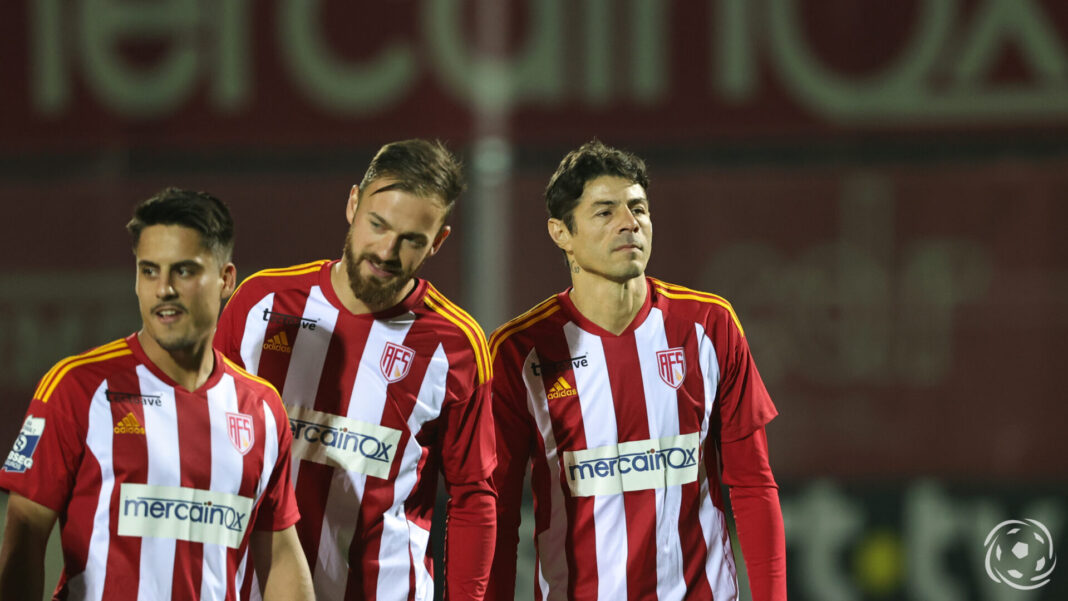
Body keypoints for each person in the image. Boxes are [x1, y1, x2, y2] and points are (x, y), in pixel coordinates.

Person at [487, 140, 787, 601]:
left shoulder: (708, 325)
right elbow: (498, 509)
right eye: (605, 212)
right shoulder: (521, 351)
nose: (630, 223)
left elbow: (752, 483)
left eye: (639, 208)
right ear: (560, 232)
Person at [213, 139, 497, 601]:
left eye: (412, 240)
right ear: (352, 204)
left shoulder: (457, 345)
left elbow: (473, 497)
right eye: (378, 224)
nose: (387, 250)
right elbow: (204, 443)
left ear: (438, 241)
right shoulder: (261, 303)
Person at [0, 188, 314, 600]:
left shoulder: (262, 409)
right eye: (149, 270)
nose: (163, 288)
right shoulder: (78, 387)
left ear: (225, 279)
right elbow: (24, 534)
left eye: (183, 271)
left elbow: (280, 550)